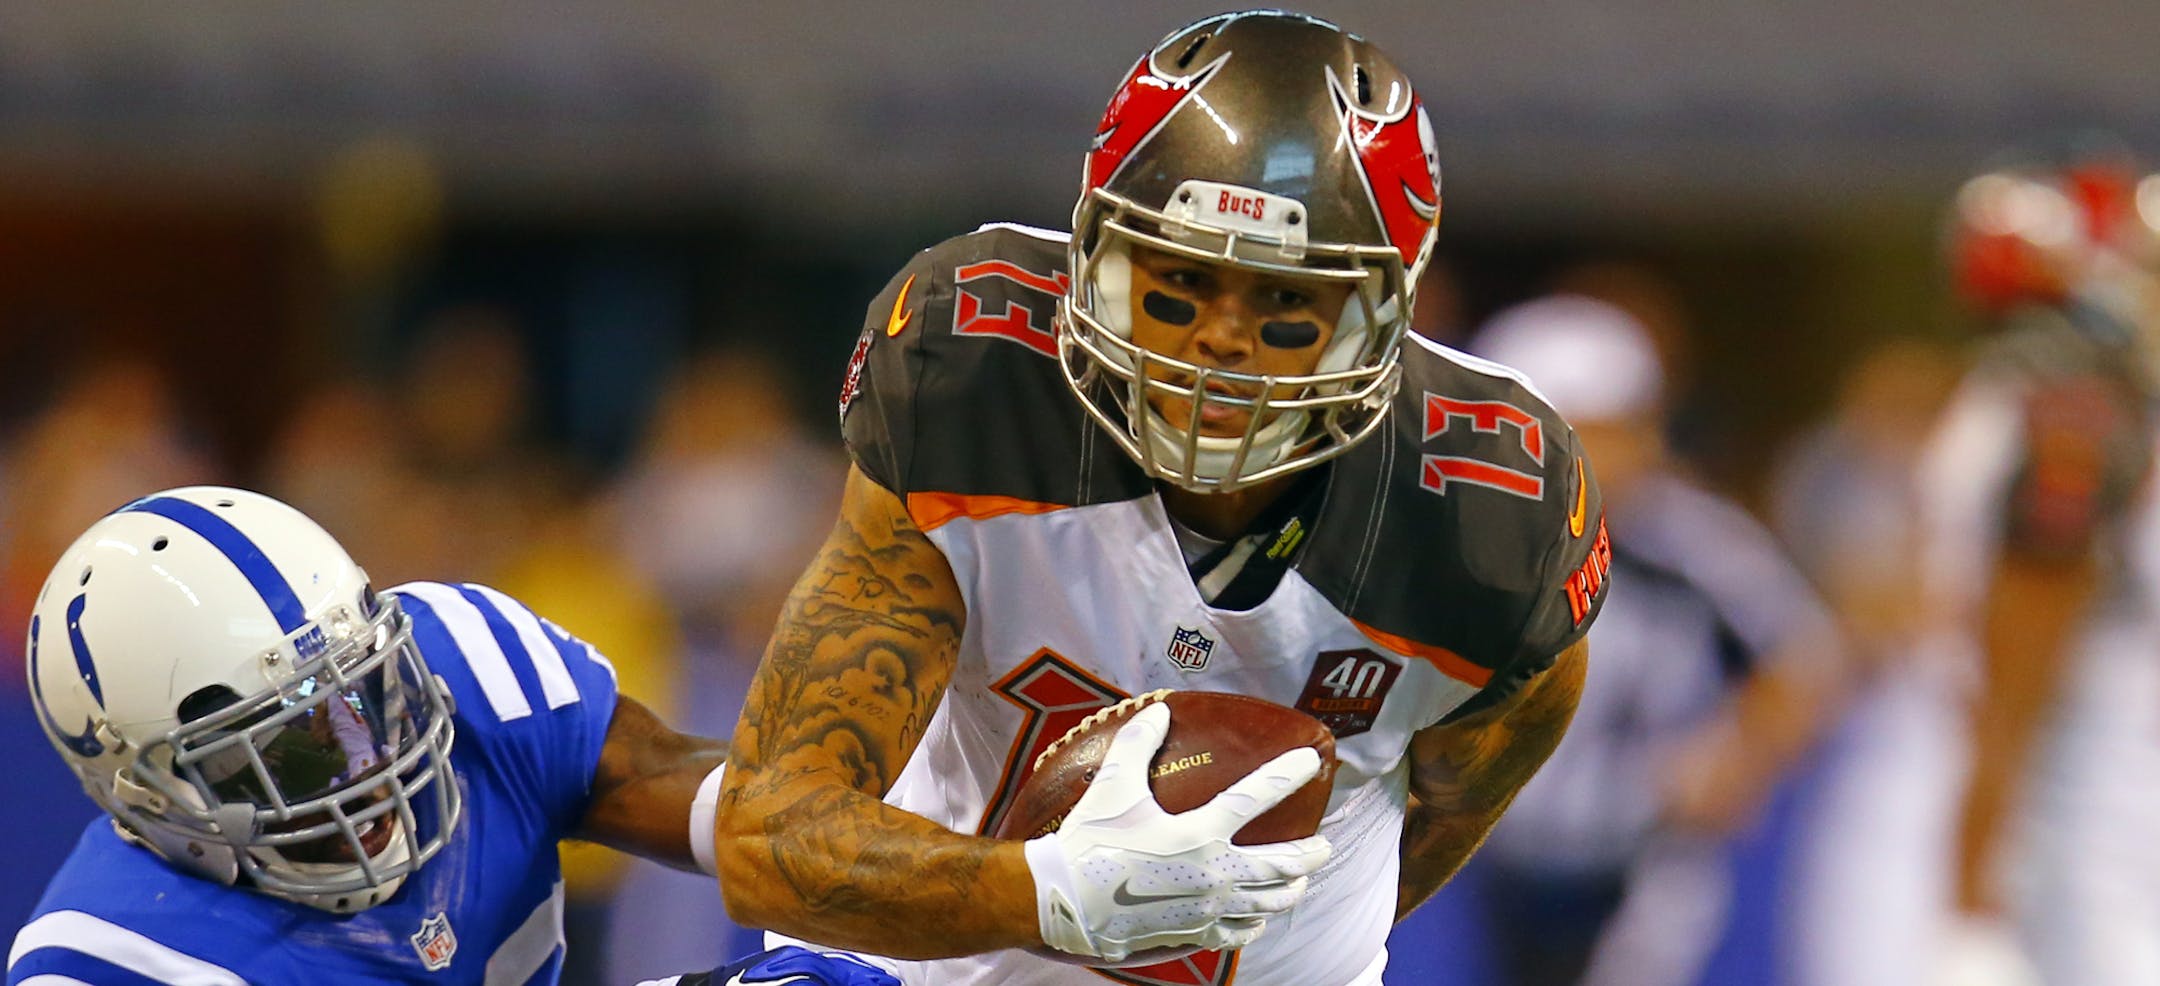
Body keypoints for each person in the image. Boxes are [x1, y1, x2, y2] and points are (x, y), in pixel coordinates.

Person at [708, 11, 1609, 986]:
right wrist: (1046, 897)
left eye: (1284, 300)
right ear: (1096, 255)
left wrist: (1285, 950)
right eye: (1180, 280)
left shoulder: (1485, 514)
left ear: (1382, 310)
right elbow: (766, 831)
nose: (1222, 338)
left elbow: (1455, 802)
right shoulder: (973, 378)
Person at [6, 486, 887, 986]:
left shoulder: (463, 661)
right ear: (149, 794)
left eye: (364, 692)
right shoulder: (106, 960)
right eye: (293, 745)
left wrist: (959, 843)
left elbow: (731, 807)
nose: (367, 758)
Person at [1788, 147, 2160, 986]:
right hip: (2065, 831)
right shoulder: (2064, 418)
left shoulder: (2029, 412)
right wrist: (1972, 898)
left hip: (2070, 819)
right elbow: (2012, 672)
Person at [1446, 296, 1845, 986]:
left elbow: (1806, 660)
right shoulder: (1464, 549)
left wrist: (1737, 757)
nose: (1582, 459)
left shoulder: (1689, 546)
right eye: (1555, 433)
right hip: (1500, 851)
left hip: (1646, 853)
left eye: (1602, 432)